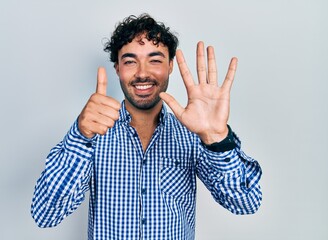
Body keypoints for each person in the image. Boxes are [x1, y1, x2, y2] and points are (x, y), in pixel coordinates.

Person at [31, 13, 262, 240]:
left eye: (155, 60)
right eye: (130, 61)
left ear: (170, 66)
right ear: (117, 69)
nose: (142, 73)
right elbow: (46, 215)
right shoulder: (92, 133)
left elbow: (246, 203)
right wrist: (81, 138)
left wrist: (217, 138)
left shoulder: (192, 134)